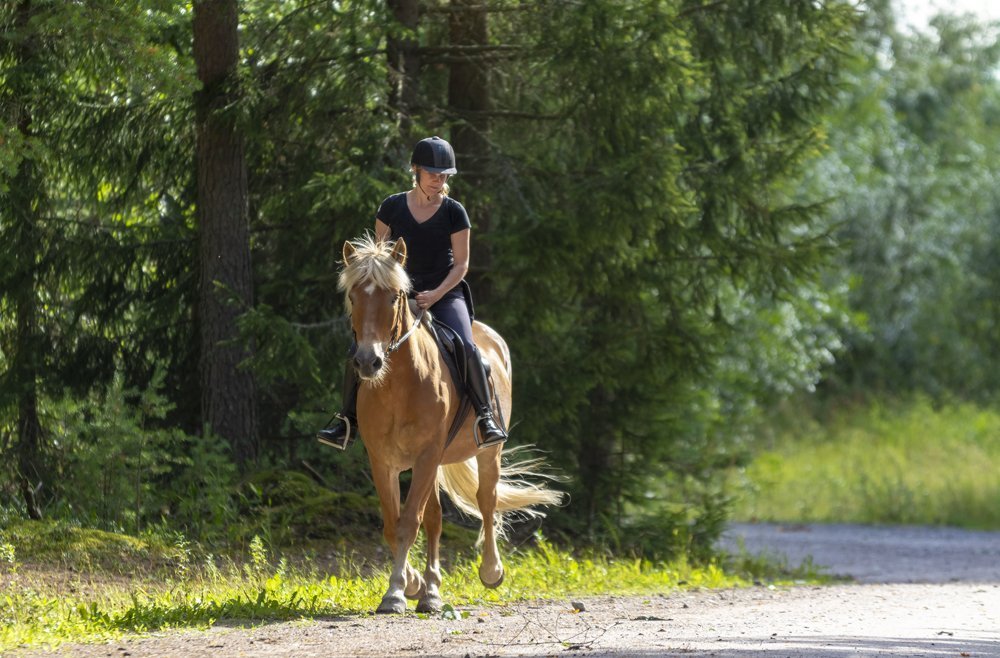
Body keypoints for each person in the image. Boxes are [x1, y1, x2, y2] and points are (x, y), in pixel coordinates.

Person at [317, 136, 508, 450]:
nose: (439, 180)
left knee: (466, 345)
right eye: (432, 173)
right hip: (396, 295)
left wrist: (435, 295)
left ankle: (485, 418)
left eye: (444, 175)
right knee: (358, 348)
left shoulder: (454, 212)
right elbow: (380, 260)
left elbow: (461, 265)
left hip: (445, 293)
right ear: (415, 170)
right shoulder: (391, 207)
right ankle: (346, 420)